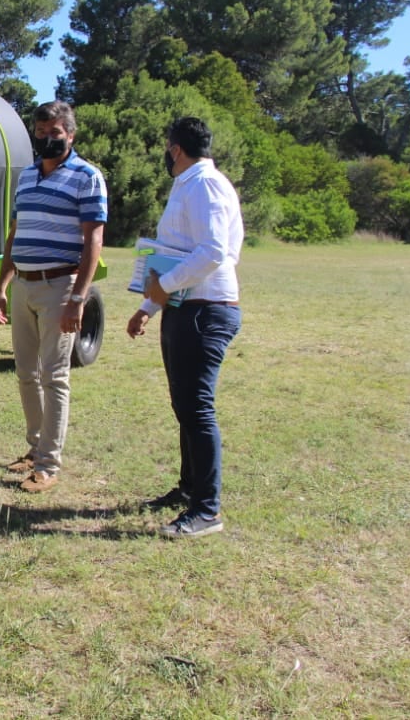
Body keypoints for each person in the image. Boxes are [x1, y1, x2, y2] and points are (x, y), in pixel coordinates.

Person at [127, 116, 243, 539]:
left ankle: (207, 510)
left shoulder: (206, 185)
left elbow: (213, 252)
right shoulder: (189, 185)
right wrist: (148, 306)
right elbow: (176, 254)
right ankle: (189, 488)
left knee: (196, 408)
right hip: (184, 306)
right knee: (184, 406)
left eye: (166, 147)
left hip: (205, 309)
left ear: (175, 148)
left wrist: (164, 286)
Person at [0, 101, 107, 493]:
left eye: (55, 133)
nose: (47, 139)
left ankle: (48, 465)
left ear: (71, 135)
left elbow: (94, 238)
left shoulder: (87, 177)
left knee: (54, 376)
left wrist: (79, 298)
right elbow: (14, 233)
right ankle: (34, 447)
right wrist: (2, 286)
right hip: (23, 283)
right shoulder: (25, 176)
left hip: (60, 286)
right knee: (26, 374)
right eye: (41, 133)